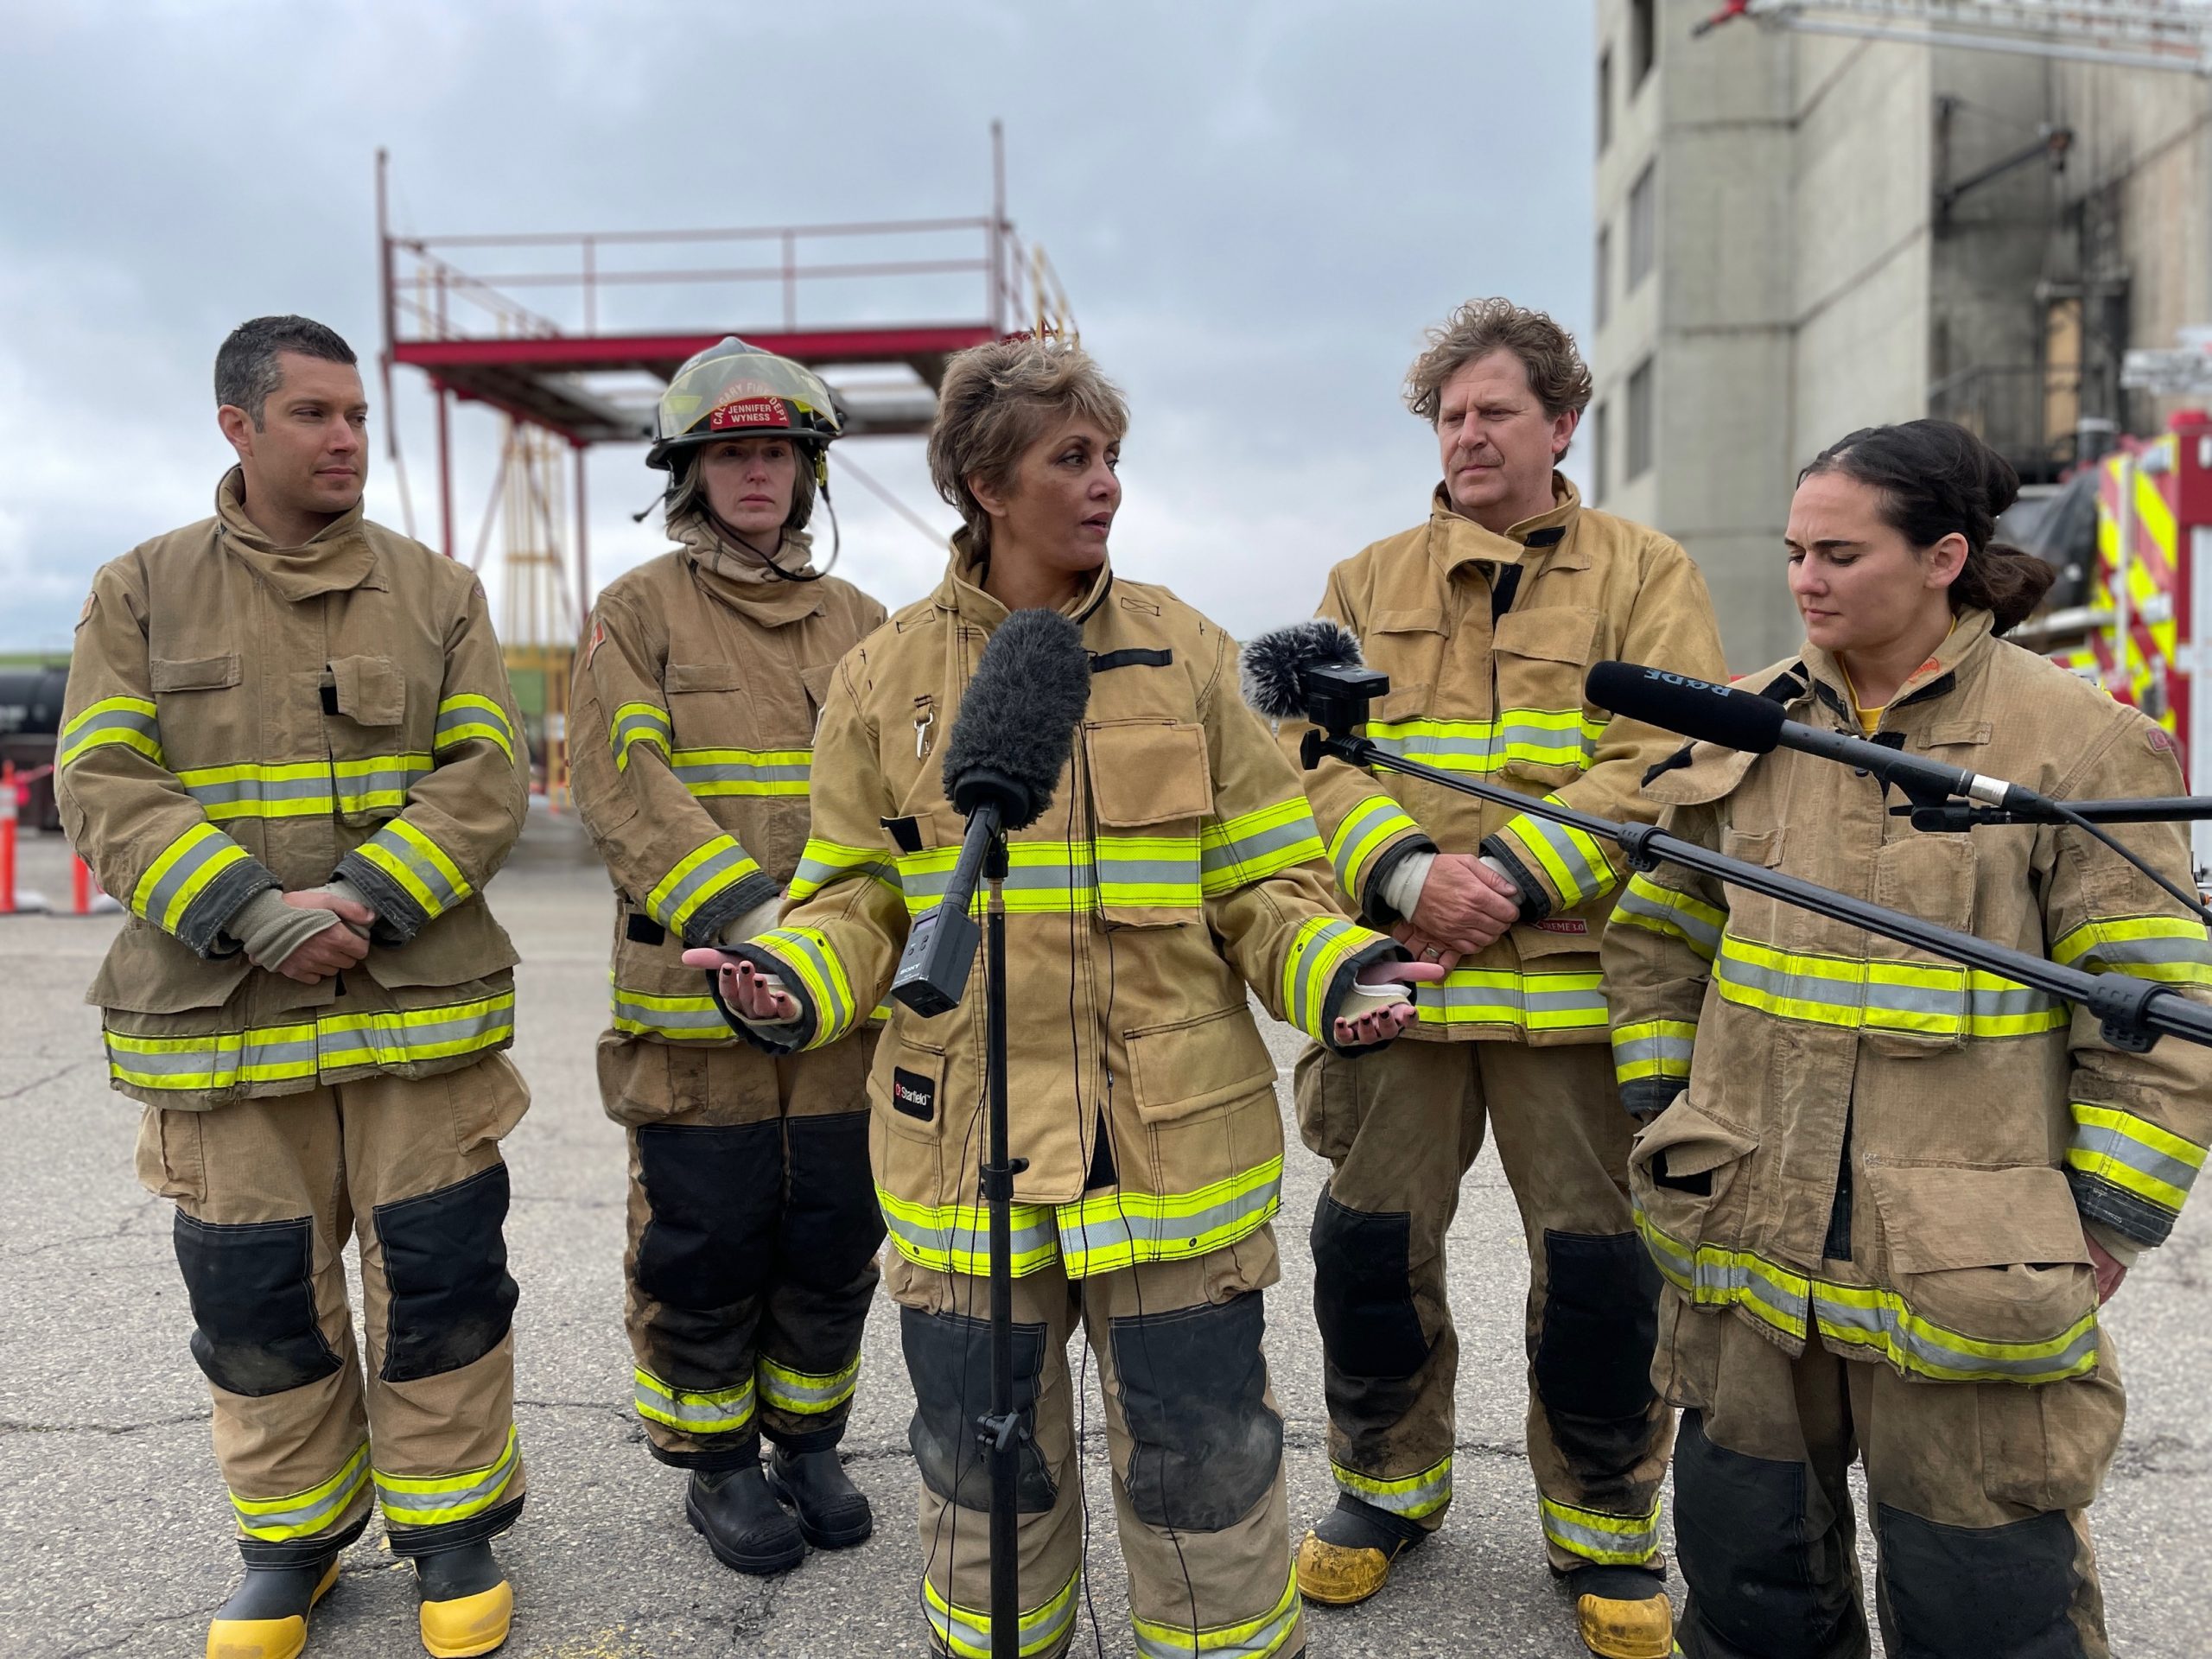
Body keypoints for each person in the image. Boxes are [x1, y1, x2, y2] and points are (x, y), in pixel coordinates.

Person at [690, 334, 1438, 1659]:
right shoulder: (883, 675)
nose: (1105, 487)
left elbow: (1272, 880)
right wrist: (785, 980)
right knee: (983, 1481)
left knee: (1207, 1468)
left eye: (1112, 459)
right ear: (986, 481)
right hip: (960, 1154)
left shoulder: (1189, 652)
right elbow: (853, 897)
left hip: (1171, 1156)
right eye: (1071, 459)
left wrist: (1343, 974)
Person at [1603, 418, 2212, 1658]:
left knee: (1982, 1604)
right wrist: (1676, 1117)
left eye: (1838, 553)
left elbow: (2158, 1017)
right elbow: (1658, 937)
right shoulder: (1745, 726)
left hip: (1968, 1273)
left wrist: (2106, 1221)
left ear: (1942, 558)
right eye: (1792, 553)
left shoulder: (2079, 747)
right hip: (1750, 1251)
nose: (1805, 581)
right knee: (1750, 1590)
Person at [56, 316, 532, 1659]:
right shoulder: (138, 590)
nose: (345, 440)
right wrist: (252, 913)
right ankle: (291, 1544)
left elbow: (483, 776)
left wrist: (371, 898)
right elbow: (101, 783)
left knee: (443, 1285)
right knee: (258, 1301)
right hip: (222, 1030)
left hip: (414, 1019)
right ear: (239, 427)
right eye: (315, 414)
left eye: (358, 416)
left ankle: (452, 1532)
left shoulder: (438, 589)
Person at [1277, 298, 1727, 1658]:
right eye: (1450, 415)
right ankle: (1384, 1491)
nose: (1469, 436)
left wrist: (1517, 875)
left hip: (1577, 1003)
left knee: (1598, 1273)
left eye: (1496, 413)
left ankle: (1602, 1527)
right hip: (1403, 988)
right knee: (1366, 1254)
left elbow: (1672, 756)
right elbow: (1306, 755)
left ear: (1562, 425)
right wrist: (1411, 875)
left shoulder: (1644, 570)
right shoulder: (1362, 580)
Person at [568, 338, 889, 1575]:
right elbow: (625, 785)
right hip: (696, 1007)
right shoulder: (637, 613)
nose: (756, 473)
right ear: (689, 473)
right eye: (731, 453)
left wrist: (838, 954)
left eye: (777, 452)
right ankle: (715, 1465)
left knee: (830, 1231)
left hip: (838, 1017)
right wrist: (760, 927)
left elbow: (899, 798)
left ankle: (810, 1440)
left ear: (809, 472)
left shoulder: (865, 623)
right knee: (705, 1242)